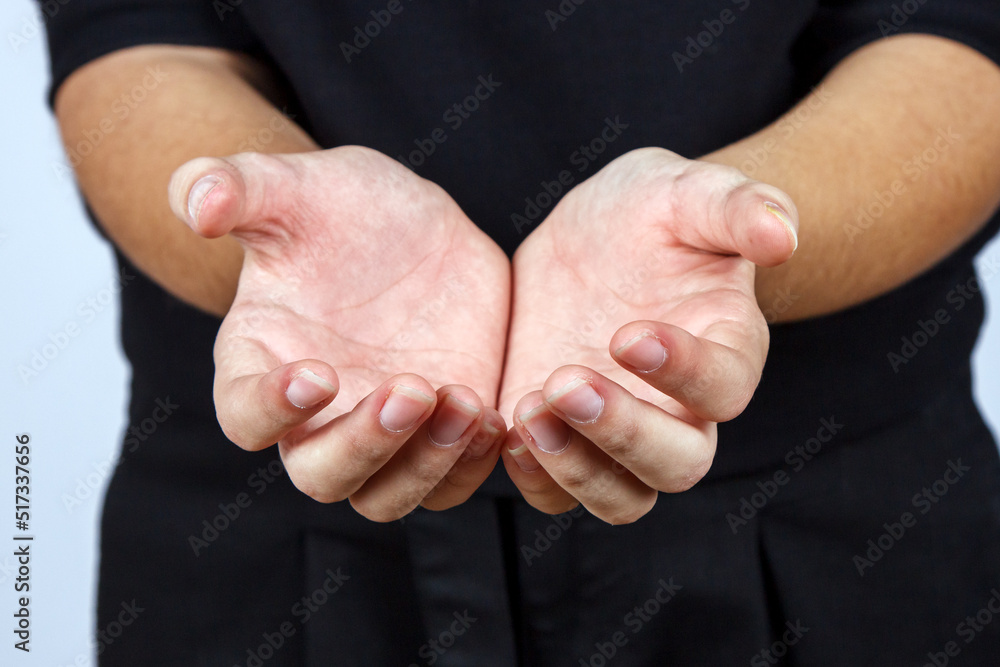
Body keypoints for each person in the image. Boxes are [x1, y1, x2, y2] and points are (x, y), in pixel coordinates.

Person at [42, 1, 1000, 664]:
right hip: (261, 536)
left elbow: (961, 40)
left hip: (838, 528)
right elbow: (129, 39)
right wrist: (284, 227)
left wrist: (730, 235)